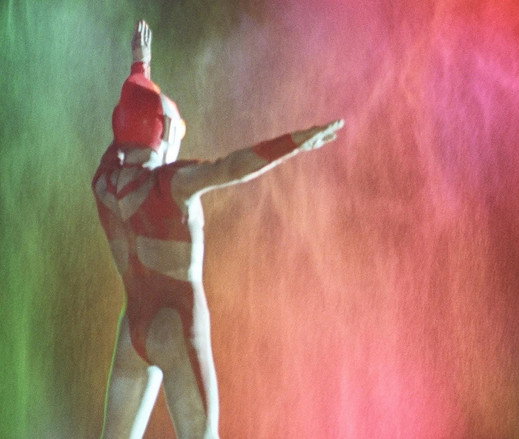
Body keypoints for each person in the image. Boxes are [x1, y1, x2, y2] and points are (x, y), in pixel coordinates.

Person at [93, 20, 344, 438]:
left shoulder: (103, 184)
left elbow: (127, 125)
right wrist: (297, 141)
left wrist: (141, 67)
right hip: (176, 327)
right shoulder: (170, 184)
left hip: (132, 330)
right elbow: (232, 167)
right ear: (163, 129)